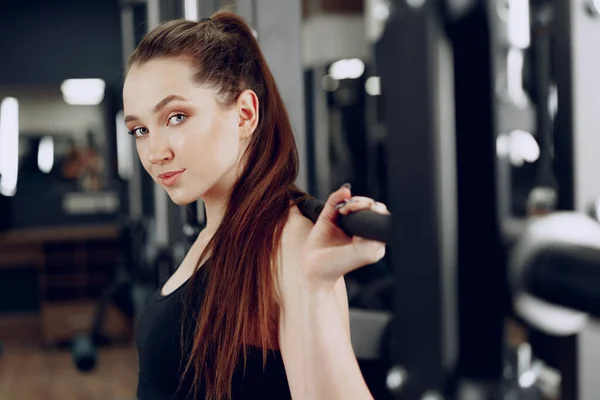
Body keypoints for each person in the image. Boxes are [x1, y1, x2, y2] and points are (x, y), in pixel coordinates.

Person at [123, 10, 389, 400]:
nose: (154, 152)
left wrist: (314, 286)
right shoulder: (216, 231)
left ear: (245, 115)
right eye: (140, 130)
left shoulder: (287, 243)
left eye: (176, 117)